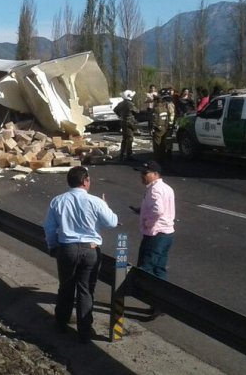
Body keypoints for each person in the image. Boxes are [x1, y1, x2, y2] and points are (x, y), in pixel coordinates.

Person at [43, 166, 119, 342]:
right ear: (85, 181)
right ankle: (85, 330)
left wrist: (53, 246)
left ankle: (61, 322)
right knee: (85, 290)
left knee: (66, 287)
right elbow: (112, 222)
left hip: (67, 249)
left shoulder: (58, 201)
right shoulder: (95, 202)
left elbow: (49, 227)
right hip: (90, 249)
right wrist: (105, 205)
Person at [130, 161, 176, 281]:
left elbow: (158, 210)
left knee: (145, 268)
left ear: (156, 174)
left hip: (155, 234)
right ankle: (161, 295)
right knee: (159, 268)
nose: (142, 176)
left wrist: (148, 223)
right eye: (141, 173)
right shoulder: (167, 188)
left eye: (145, 173)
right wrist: (142, 210)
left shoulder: (154, 189)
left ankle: (143, 294)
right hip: (167, 233)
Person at [112, 89, 138, 162]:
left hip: (123, 121)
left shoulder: (121, 103)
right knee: (130, 139)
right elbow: (137, 111)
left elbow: (115, 109)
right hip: (129, 122)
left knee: (124, 139)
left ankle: (122, 154)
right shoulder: (130, 104)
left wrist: (120, 115)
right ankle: (129, 155)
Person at [151, 88, 175, 164]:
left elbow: (171, 115)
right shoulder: (167, 104)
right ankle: (164, 155)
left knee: (161, 142)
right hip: (166, 125)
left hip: (164, 126)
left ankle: (161, 157)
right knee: (166, 141)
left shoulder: (167, 104)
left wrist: (170, 124)